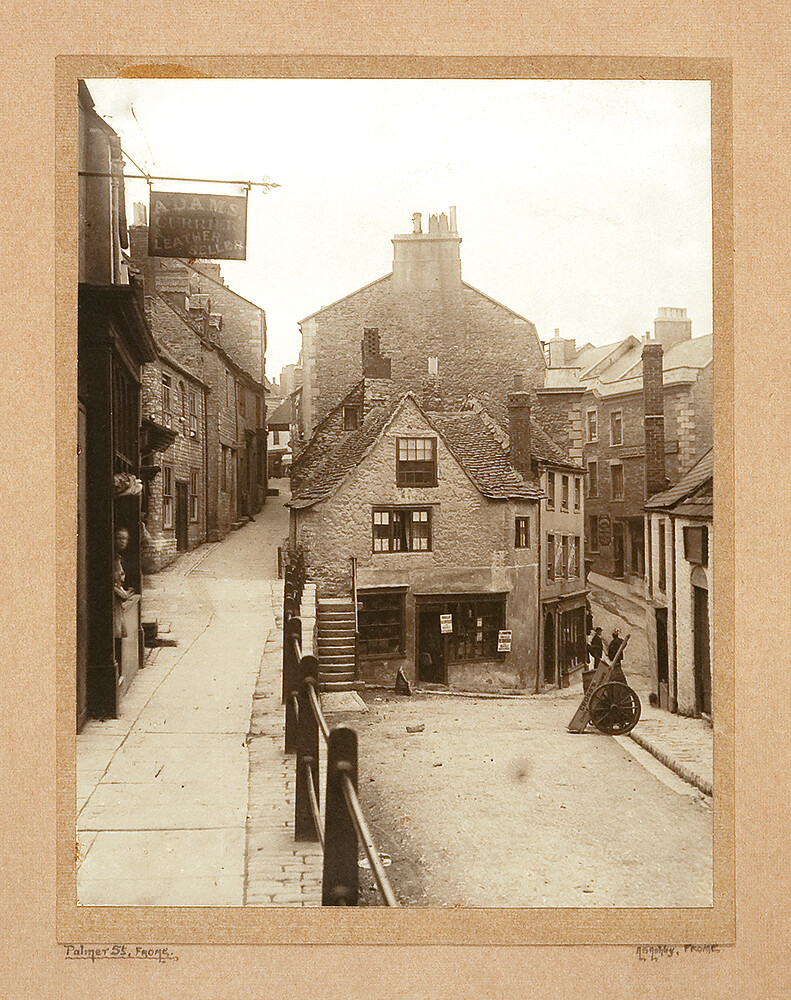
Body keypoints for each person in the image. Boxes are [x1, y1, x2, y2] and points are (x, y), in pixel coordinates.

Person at [113, 527, 134, 670]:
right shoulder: (113, 558)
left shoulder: (121, 557)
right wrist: (123, 593)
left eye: (124, 539)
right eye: (119, 538)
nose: (122, 541)